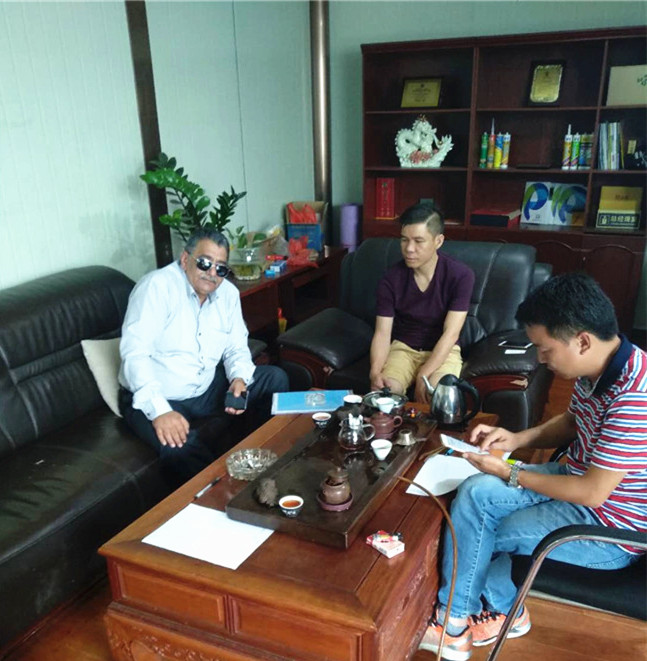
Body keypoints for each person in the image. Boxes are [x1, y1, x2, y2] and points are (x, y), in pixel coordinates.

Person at [419, 272, 647, 660]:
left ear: (582, 341)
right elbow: (573, 422)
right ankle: (505, 610)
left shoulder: (635, 397)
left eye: (545, 349)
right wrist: (516, 439)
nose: (540, 359)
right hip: (576, 482)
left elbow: (593, 493)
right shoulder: (597, 368)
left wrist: (510, 471)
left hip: (608, 528)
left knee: (477, 532)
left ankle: (453, 624)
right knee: (475, 493)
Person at [118, 229, 289, 488]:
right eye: (205, 263)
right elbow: (135, 354)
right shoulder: (156, 287)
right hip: (159, 394)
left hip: (205, 387)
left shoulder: (228, 294)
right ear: (185, 259)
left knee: (274, 379)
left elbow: (236, 347)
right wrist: (161, 411)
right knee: (178, 445)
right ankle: (227, 492)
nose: (212, 273)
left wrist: (239, 378)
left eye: (220, 268)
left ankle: (259, 462)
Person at [370, 202, 475, 403]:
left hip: (444, 351)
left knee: (436, 395)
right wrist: (375, 373)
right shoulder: (390, 279)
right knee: (385, 396)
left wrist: (424, 374)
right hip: (403, 348)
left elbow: (451, 333)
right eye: (404, 240)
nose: (409, 249)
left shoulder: (461, 275)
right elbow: (382, 333)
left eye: (418, 241)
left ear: (438, 241)